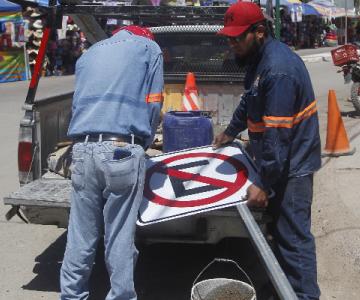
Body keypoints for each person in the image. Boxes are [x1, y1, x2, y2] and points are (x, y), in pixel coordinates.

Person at [213, 2, 321, 300]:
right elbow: (250, 100)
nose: (232, 44)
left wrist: (262, 183)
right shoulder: (260, 63)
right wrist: (230, 131)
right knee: (276, 233)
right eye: (229, 38)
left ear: (259, 31)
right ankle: (280, 288)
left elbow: (277, 138)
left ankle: (304, 296)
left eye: (237, 38)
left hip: (292, 167)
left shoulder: (278, 71)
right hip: (277, 163)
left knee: (294, 240)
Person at [60, 25, 164, 300]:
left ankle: (71, 296)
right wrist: (145, 142)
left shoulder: (88, 53)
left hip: (82, 149)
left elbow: (78, 104)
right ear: (144, 36)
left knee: (80, 235)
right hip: (122, 148)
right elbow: (154, 103)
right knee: (118, 235)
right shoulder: (149, 48)